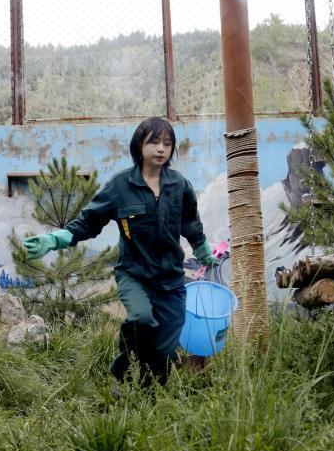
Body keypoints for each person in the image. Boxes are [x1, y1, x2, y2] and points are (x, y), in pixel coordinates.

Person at [23, 116, 219, 389]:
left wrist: (204, 251)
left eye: (167, 143)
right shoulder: (119, 187)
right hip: (134, 275)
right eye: (154, 142)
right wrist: (56, 239)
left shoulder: (180, 186)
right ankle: (121, 369)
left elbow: (191, 225)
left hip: (172, 281)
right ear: (139, 145)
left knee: (166, 350)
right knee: (141, 319)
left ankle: (150, 396)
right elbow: (90, 221)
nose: (161, 149)